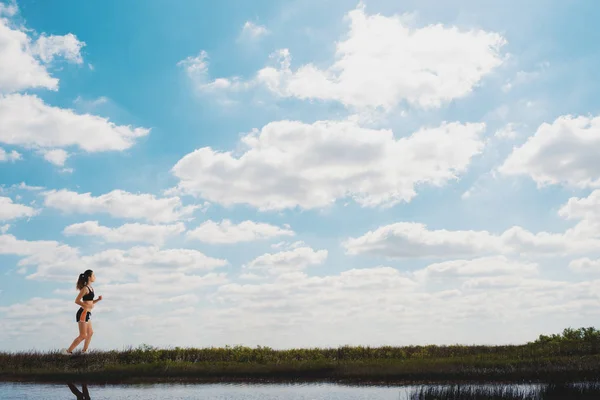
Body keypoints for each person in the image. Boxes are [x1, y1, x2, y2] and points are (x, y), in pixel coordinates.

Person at [62, 269, 102, 355]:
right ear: (89, 277)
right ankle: (68, 352)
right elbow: (77, 300)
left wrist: (97, 300)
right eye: (93, 275)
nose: (95, 277)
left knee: (90, 333)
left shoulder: (91, 288)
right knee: (83, 335)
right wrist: (86, 306)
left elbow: (89, 302)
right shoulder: (85, 289)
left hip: (87, 313)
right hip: (83, 313)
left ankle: (84, 351)